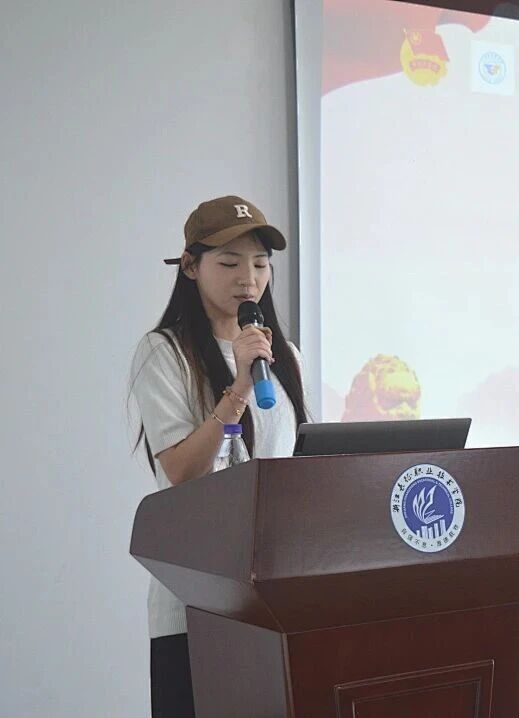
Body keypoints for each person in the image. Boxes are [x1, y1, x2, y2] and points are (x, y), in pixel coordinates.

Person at [128, 195, 308, 717]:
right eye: (229, 263)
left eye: (260, 264)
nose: (248, 279)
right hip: (195, 601)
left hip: (275, 598)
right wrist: (239, 388)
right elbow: (182, 471)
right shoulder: (164, 352)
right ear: (190, 266)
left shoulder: (285, 358)